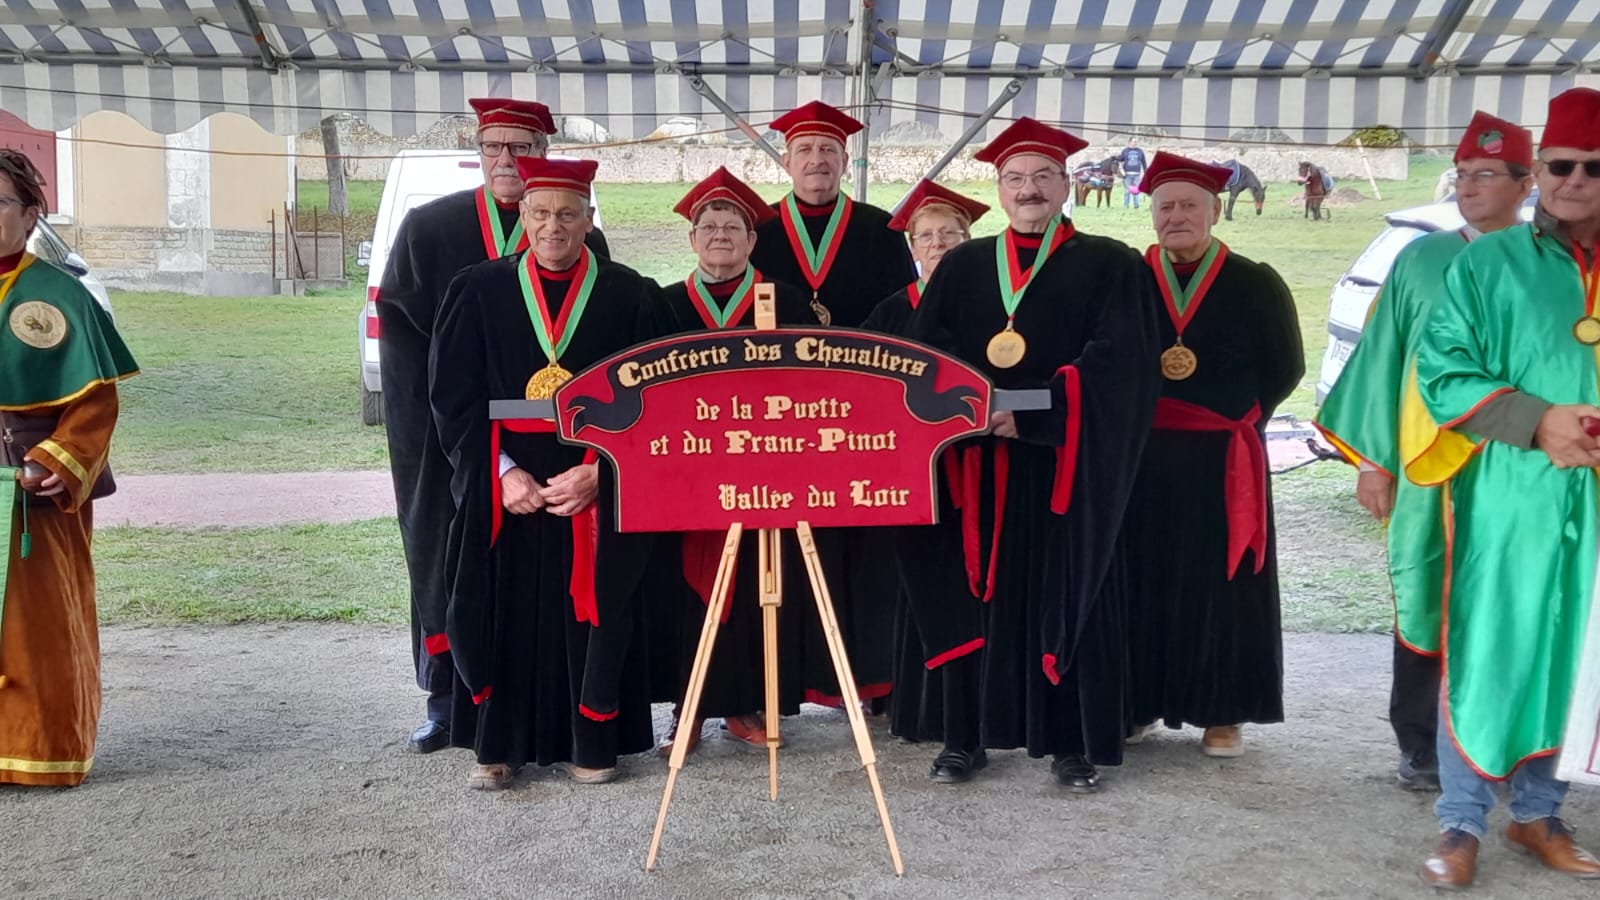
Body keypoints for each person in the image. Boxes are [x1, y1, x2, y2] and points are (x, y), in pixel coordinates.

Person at [903, 117, 1161, 791]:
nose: (1029, 190)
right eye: (1015, 178)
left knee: (1067, 592)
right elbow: (924, 361)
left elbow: (1121, 368)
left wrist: (1034, 410)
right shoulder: (961, 266)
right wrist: (971, 415)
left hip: (1064, 468)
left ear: (1067, 184)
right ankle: (965, 738)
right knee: (967, 596)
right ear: (999, 187)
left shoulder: (1111, 264)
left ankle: (1070, 743)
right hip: (975, 467)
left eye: (1043, 176)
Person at [1410, 87, 1600, 889]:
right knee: (1490, 644)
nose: (1575, 181)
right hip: (1509, 494)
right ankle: (1461, 823)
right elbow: (1443, 371)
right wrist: (1536, 419)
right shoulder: (1489, 263)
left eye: (1595, 168)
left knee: (1579, 652)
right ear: (1540, 174)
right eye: (1560, 165)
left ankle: (1537, 811)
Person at [379, 97, 610, 755]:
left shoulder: (580, 234)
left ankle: (542, 699)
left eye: (523, 146)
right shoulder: (431, 228)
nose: (508, 159)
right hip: (448, 432)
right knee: (443, 556)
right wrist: (440, 435)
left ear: (546, 151)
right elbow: (402, 340)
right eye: (494, 146)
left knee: (541, 564)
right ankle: (446, 697)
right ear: (477, 151)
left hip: (550, 439)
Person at [1315, 112, 1533, 792]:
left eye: (1486, 176)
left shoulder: (1550, 266)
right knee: (1424, 590)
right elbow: (1379, 362)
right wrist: (1373, 463)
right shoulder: (1420, 261)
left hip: (1518, 467)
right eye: (1463, 175)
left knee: (1513, 597)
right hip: (1423, 469)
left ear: (1525, 185)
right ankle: (1419, 742)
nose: (1469, 187)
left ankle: (1509, 739)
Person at [428, 156, 657, 790]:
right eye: (539, 213)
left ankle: (591, 741)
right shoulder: (476, 289)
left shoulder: (631, 294)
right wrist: (501, 472)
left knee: (594, 611)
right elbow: (452, 397)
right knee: (498, 608)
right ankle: (496, 746)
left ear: (589, 219)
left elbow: (649, 404)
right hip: (507, 481)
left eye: (567, 214)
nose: (552, 226)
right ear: (521, 218)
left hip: (590, 479)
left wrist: (600, 473)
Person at [1120, 153, 1303, 758]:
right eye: (1165, 207)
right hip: (1141, 457)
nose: (1176, 217)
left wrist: (1234, 421)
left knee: (1223, 584)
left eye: (1189, 206)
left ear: (1214, 211)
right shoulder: (1127, 281)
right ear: (1151, 214)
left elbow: (1285, 367)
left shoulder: (1256, 281)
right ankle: (1138, 701)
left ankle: (1223, 711)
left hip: (1222, 457)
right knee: (1140, 579)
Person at [749, 100, 917, 709]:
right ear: (787, 161)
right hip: (783, 419)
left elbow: (902, 323)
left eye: (827, 151)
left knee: (866, 549)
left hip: (861, 417)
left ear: (845, 161)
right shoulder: (758, 232)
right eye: (805, 151)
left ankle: (875, 680)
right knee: (787, 548)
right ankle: (786, 681)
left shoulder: (882, 230)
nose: (816, 161)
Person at [649, 166, 818, 755]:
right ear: (692, 240)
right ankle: (687, 709)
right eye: (709, 226)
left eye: (733, 227)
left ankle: (749, 704)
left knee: (759, 585)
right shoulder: (663, 304)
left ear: (751, 241)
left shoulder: (785, 301)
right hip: (687, 474)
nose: (720, 235)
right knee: (686, 592)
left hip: (766, 471)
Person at [0, 149, 139, 786]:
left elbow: (94, 400)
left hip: (26, 490)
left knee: (34, 628)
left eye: (0, 202)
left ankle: (37, 749)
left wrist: (62, 458)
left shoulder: (58, 296)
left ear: (30, 216)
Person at [862, 178, 990, 335]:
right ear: (913, 250)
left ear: (967, 241)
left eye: (948, 233)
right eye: (925, 236)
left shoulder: (988, 301)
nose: (937, 243)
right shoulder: (890, 313)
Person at [1120, 136, 1148, 209]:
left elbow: (1144, 162)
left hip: (1137, 174)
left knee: (1136, 191)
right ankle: (1126, 206)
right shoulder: (1125, 151)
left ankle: (1136, 206)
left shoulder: (1140, 151)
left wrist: (1146, 172)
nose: (1135, 143)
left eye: (1136, 141)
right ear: (1130, 142)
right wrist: (1121, 171)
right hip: (1127, 175)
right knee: (1127, 191)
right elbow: (1120, 161)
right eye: (1134, 141)